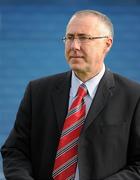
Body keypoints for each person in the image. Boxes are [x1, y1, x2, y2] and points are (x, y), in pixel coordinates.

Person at [1, 9, 140, 180]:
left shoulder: (133, 96)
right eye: (69, 37)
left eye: (83, 38)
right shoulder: (37, 91)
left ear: (107, 44)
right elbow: (15, 151)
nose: (74, 46)